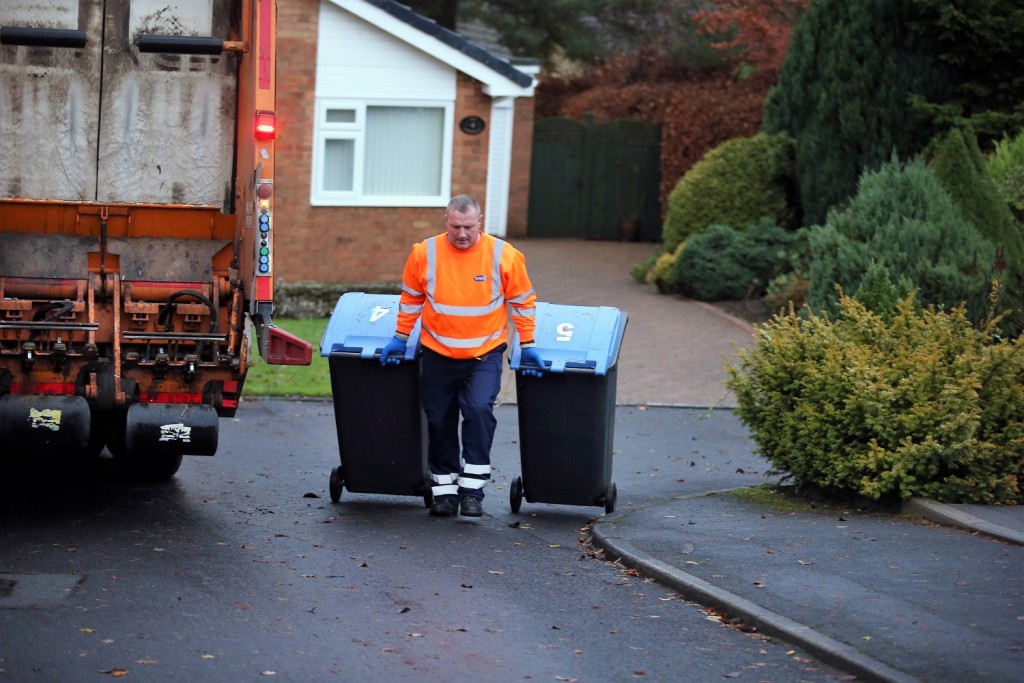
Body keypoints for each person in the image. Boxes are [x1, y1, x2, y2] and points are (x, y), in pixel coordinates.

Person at [379, 195, 545, 517]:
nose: (462, 234)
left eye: (468, 227)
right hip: (439, 353)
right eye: (456, 227)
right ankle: (444, 493)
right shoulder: (423, 253)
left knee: (478, 410)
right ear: (446, 222)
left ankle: (472, 492)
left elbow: (523, 302)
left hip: (484, 353)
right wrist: (401, 336)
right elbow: (411, 298)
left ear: (479, 222)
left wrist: (528, 343)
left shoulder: (503, 255)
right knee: (439, 419)